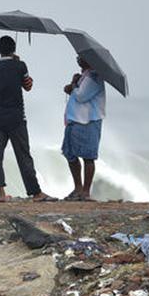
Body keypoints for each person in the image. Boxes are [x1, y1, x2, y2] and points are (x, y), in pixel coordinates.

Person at [0, 35, 52, 201]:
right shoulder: (20, 66)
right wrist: (20, 67)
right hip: (16, 117)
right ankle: (35, 192)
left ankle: (1, 193)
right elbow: (28, 86)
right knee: (24, 156)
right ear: (13, 49)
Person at [62, 55, 106, 199]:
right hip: (75, 120)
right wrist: (73, 84)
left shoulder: (94, 77)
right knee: (70, 154)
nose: (78, 59)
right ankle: (78, 188)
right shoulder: (85, 76)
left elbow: (81, 96)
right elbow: (77, 93)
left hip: (88, 121)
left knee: (88, 157)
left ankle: (85, 191)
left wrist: (73, 85)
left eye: (81, 58)